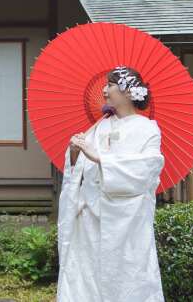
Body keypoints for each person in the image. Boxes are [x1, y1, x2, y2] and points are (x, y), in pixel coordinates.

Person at [56, 66, 165, 302]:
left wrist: (100, 157)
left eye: (110, 85)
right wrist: (75, 153)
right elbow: (81, 170)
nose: (104, 90)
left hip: (126, 222)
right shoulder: (100, 126)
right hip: (90, 217)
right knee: (85, 277)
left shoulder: (148, 129)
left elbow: (147, 169)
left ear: (127, 91)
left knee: (127, 279)